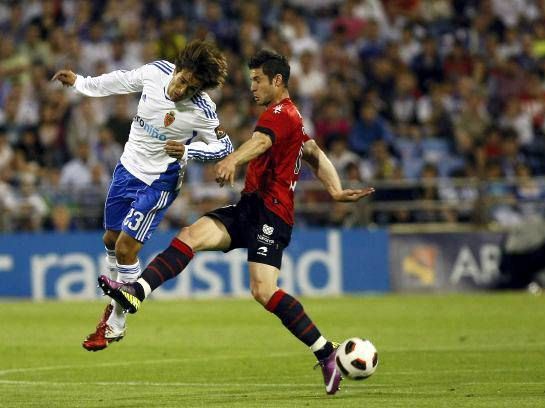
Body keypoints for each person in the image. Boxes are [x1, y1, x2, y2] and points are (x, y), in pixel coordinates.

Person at [98, 50, 373, 395]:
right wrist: (335, 189)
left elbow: (259, 142)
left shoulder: (279, 114)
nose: (252, 86)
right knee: (190, 235)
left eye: (257, 79)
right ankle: (135, 292)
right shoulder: (294, 117)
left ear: (277, 81)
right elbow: (315, 154)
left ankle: (325, 351)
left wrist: (231, 160)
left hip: (272, 215)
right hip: (249, 207)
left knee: (263, 291)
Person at [52, 40, 233, 351]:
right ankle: (115, 303)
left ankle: (115, 322)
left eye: (192, 89)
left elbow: (224, 146)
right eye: (183, 81)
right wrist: (80, 82)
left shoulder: (202, 109)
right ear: (178, 69)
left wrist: (189, 150)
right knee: (110, 240)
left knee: (124, 248)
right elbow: (119, 80)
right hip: (127, 169)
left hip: (159, 181)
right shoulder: (155, 72)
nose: (182, 90)